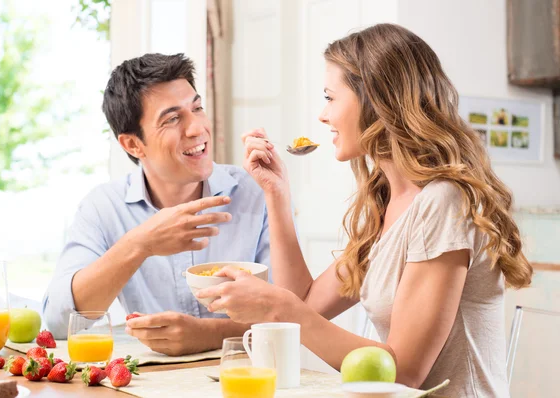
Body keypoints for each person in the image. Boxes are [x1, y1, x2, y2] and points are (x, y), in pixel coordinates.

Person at [197, 23, 532, 396]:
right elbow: (306, 303)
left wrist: (280, 310)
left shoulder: (444, 201)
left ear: (375, 99)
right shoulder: (387, 203)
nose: (323, 116)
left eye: (329, 97)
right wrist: (276, 194)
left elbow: (403, 372)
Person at [43, 53, 272, 356]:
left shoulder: (256, 191)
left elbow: (290, 314)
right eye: (173, 118)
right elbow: (59, 322)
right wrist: (140, 244)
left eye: (197, 108)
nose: (197, 128)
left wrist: (208, 334)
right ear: (133, 144)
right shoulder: (103, 207)